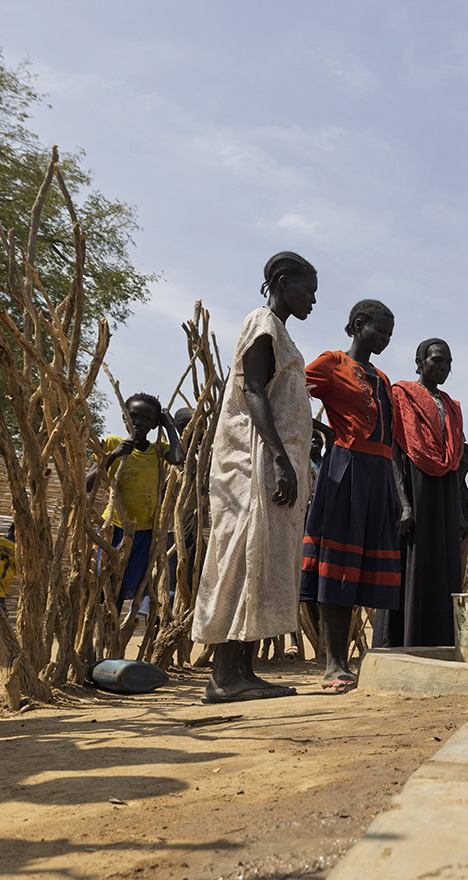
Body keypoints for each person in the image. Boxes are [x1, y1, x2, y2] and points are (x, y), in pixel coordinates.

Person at [190, 251, 318, 702]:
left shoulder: (279, 331)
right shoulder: (262, 324)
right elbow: (253, 389)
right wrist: (281, 459)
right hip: (254, 462)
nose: (313, 301)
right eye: (308, 290)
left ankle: (242, 671)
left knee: (260, 562)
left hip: (274, 461)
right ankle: (224, 676)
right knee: (243, 556)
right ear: (283, 283)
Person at [300, 299, 412, 693]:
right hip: (345, 471)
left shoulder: (381, 378)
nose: (385, 339)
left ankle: (350, 658)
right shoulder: (331, 364)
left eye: (390, 335)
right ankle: (333, 664)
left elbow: (392, 442)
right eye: (380, 331)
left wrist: (400, 494)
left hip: (378, 476)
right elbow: (291, 391)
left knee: (366, 569)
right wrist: (323, 435)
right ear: (358, 324)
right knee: (339, 567)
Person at [379, 338, 468, 647]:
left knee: (442, 568)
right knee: (411, 565)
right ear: (419, 362)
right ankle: (404, 642)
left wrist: (460, 508)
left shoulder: (452, 408)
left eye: (448, 364)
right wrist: (402, 502)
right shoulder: (400, 396)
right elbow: (393, 452)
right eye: (437, 361)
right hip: (415, 491)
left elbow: (454, 463)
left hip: (443, 496)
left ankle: (439, 642)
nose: (443, 367)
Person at [88, 393, 183, 603]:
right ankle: (96, 632)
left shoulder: (158, 451)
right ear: (124, 417)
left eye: (146, 419)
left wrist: (169, 427)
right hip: (113, 527)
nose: (138, 423)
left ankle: (111, 634)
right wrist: (112, 455)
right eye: (133, 416)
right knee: (101, 587)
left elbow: (178, 458)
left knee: (123, 588)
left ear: (154, 423)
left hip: (144, 532)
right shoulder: (113, 442)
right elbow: (87, 484)